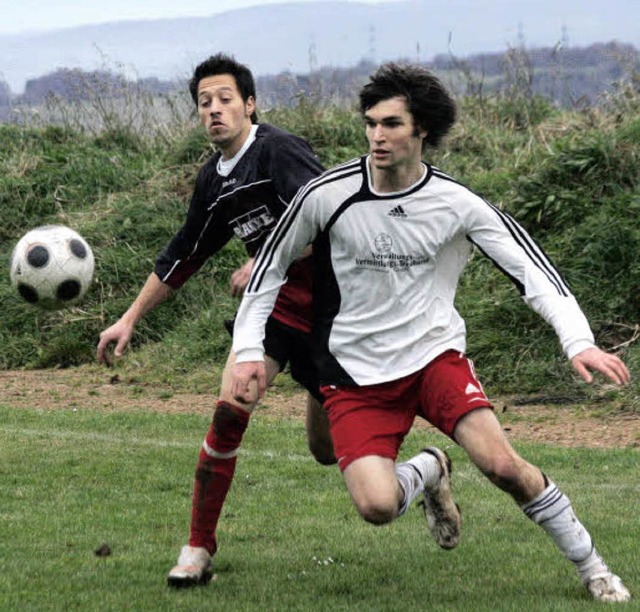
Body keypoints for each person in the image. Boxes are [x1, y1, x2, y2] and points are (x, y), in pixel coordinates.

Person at [231, 62, 632, 603]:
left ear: (422, 130)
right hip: (354, 374)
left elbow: (532, 272)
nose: (377, 135)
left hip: (432, 359)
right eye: (371, 123)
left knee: (502, 466)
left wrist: (577, 340)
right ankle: (429, 469)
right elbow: (268, 271)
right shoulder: (326, 196)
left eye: (392, 124)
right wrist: (248, 349)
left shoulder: (456, 203)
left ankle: (594, 568)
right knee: (375, 507)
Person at [96, 53, 335, 588]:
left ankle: (427, 471)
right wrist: (129, 318)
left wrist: (266, 256)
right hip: (270, 314)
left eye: (225, 98)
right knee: (230, 409)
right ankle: (198, 547)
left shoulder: (278, 150)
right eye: (204, 102)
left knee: (329, 452)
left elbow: (329, 212)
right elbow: (185, 254)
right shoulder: (215, 179)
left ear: (250, 104)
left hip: (332, 314)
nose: (214, 110)